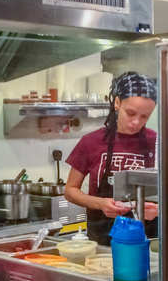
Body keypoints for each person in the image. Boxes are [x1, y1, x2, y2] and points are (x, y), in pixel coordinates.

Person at [64, 72, 159, 245]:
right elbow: (70, 190)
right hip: (103, 242)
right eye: (131, 113)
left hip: (148, 242)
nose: (136, 122)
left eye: (144, 116)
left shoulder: (159, 143)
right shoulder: (91, 142)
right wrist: (100, 203)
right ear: (117, 103)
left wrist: (159, 209)